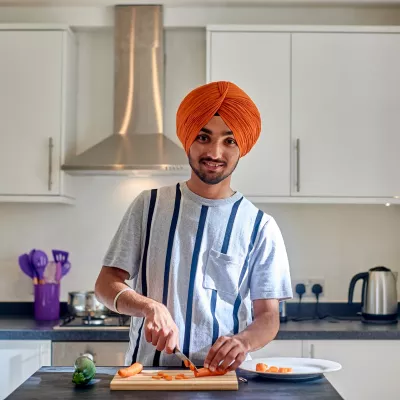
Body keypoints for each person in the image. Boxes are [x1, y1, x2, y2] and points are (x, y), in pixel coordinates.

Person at [95, 81, 292, 372]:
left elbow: (268, 317)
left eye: (230, 141)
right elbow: (105, 284)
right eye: (203, 136)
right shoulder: (147, 206)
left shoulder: (260, 227)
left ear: (242, 148)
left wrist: (243, 342)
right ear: (188, 138)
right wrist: (149, 307)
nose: (215, 152)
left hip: (224, 381)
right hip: (148, 378)